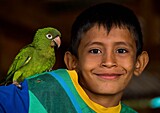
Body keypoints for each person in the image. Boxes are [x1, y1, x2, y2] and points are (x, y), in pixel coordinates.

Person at [0, 2, 149, 113]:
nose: (109, 62)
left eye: (121, 50)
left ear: (139, 63)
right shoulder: (42, 92)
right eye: (95, 51)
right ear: (72, 62)